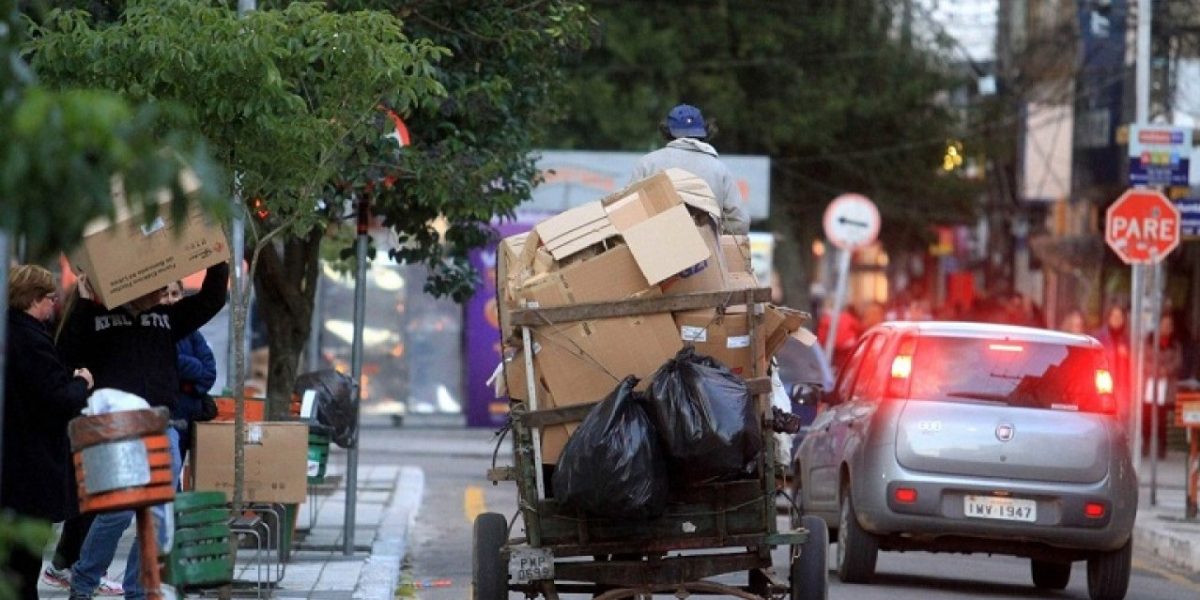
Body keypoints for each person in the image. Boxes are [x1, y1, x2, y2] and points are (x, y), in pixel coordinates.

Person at [58, 261, 229, 600]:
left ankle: (138, 589)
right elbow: (66, 350)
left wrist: (216, 259)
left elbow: (211, 300)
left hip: (160, 424)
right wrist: (83, 300)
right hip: (114, 427)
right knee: (118, 511)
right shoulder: (96, 314)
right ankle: (84, 579)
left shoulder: (165, 319)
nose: (159, 291)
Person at [2, 265, 94, 600]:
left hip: (12, 465)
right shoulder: (31, 341)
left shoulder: (10, 333)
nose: (53, 306)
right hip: (31, 466)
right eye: (49, 299)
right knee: (25, 564)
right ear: (33, 299)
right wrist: (81, 383)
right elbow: (58, 398)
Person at [631, 103, 750, 234]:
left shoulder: (647, 164)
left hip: (656, 248)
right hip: (707, 250)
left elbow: (628, 210)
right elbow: (740, 222)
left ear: (667, 132)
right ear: (705, 132)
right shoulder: (719, 169)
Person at [163, 280, 218, 461]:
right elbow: (167, 362)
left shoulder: (193, 333)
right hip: (167, 413)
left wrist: (186, 378)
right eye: (165, 295)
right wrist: (195, 367)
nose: (171, 300)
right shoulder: (153, 333)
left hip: (189, 415)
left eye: (175, 294)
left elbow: (209, 373)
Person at [1143, 312, 1182, 459]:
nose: (1166, 328)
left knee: (1162, 417)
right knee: (1146, 415)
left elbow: (1177, 362)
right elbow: (1144, 358)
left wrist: (1166, 370)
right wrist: (1153, 370)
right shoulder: (1149, 341)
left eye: (1169, 325)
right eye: (1163, 324)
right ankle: (1145, 443)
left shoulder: (1175, 345)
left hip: (1166, 384)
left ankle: (1161, 448)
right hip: (1150, 383)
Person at [1093, 303, 1132, 433]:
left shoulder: (1127, 341)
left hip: (1123, 389)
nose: (1117, 319)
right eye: (1114, 315)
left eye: (1120, 316)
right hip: (1103, 386)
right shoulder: (1099, 338)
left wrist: (1127, 356)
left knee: (1122, 423)